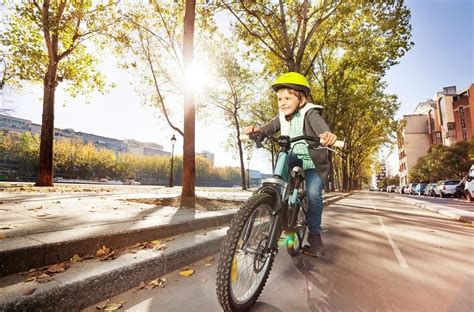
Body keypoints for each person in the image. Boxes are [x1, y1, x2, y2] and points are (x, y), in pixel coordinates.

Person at [244, 72, 337, 256]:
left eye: (288, 97)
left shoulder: (310, 112)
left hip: (313, 163)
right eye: (279, 99)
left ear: (301, 99)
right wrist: (257, 131)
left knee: (313, 194)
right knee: (279, 179)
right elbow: (269, 128)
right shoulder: (281, 116)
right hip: (293, 157)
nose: (283, 102)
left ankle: (315, 235)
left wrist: (327, 135)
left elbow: (320, 126)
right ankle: (279, 218)